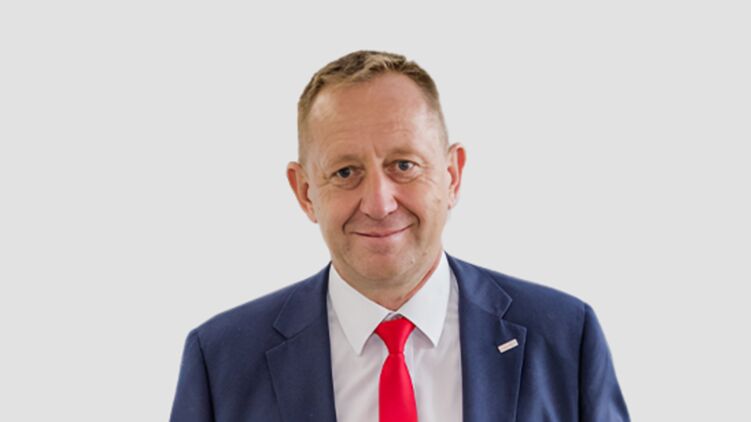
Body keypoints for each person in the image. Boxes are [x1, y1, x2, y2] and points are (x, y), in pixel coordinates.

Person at [169, 50, 630, 422]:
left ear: (452, 175)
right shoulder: (222, 361)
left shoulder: (565, 337)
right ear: (305, 192)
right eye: (345, 172)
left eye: (404, 165)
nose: (379, 202)